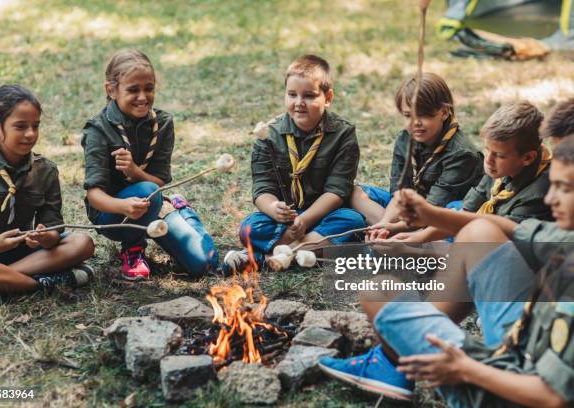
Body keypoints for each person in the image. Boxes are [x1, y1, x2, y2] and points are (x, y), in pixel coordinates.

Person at [319, 137, 574, 406]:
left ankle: (396, 358)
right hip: (527, 335)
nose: (549, 197)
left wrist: (464, 368)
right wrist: (430, 216)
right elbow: (509, 227)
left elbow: (553, 398)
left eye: (564, 188)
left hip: (517, 388)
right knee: (480, 233)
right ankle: (402, 351)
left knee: (378, 292)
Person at [81, 49, 218, 280]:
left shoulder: (162, 123)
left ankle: (180, 210)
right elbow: (94, 196)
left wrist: (134, 170)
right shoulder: (98, 129)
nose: (143, 97)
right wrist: (124, 207)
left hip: (151, 201)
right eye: (133, 90)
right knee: (147, 191)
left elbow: (159, 183)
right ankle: (133, 250)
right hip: (111, 215)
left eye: (149, 88)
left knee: (204, 263)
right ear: (111, 90)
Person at [223, 55, 365, 273]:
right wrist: (273, 208)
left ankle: (265, 257)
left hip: (323, 216)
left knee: (353, 220)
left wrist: (305, 221)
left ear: (328, 97)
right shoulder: (268, 135)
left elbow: (338, 190)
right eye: (292, 95)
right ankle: (304, 252)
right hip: (284, 220)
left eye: (309, 96)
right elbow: (262, 187)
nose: (299, 103)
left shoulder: (343, 134)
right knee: (249, 228)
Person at [0, 85, 95, 309]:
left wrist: (46, 237)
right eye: (20, 126)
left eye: (35, 126)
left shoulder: (46, 170)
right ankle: (43, 285)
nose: (30, 134)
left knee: (83, 243)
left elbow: (54, 226)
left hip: (23, 254)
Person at [386, 101, 552, 243]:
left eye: (499, 155)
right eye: (488, 150)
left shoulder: (538, 194)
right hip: (487, 229)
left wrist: (418, 250)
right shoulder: (500, 167)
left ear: (528, 158)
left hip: (513, 251)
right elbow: (468, 212)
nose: (488, 160)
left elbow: (498, 240)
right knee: (453, 208)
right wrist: (419, 238)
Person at [352, 73, 483, 238]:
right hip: (411, 208)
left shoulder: (461, 154)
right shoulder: (405, 138)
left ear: (444, 112)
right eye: (408, 115)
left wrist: (392, 227)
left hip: (440, 214)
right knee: (355, 192)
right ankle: (386, 232)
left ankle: (404, 236)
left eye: (423, 114)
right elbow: (401, 192)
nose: (415, 123)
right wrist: (385, 222)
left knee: (454, 211)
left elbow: (433, 208)